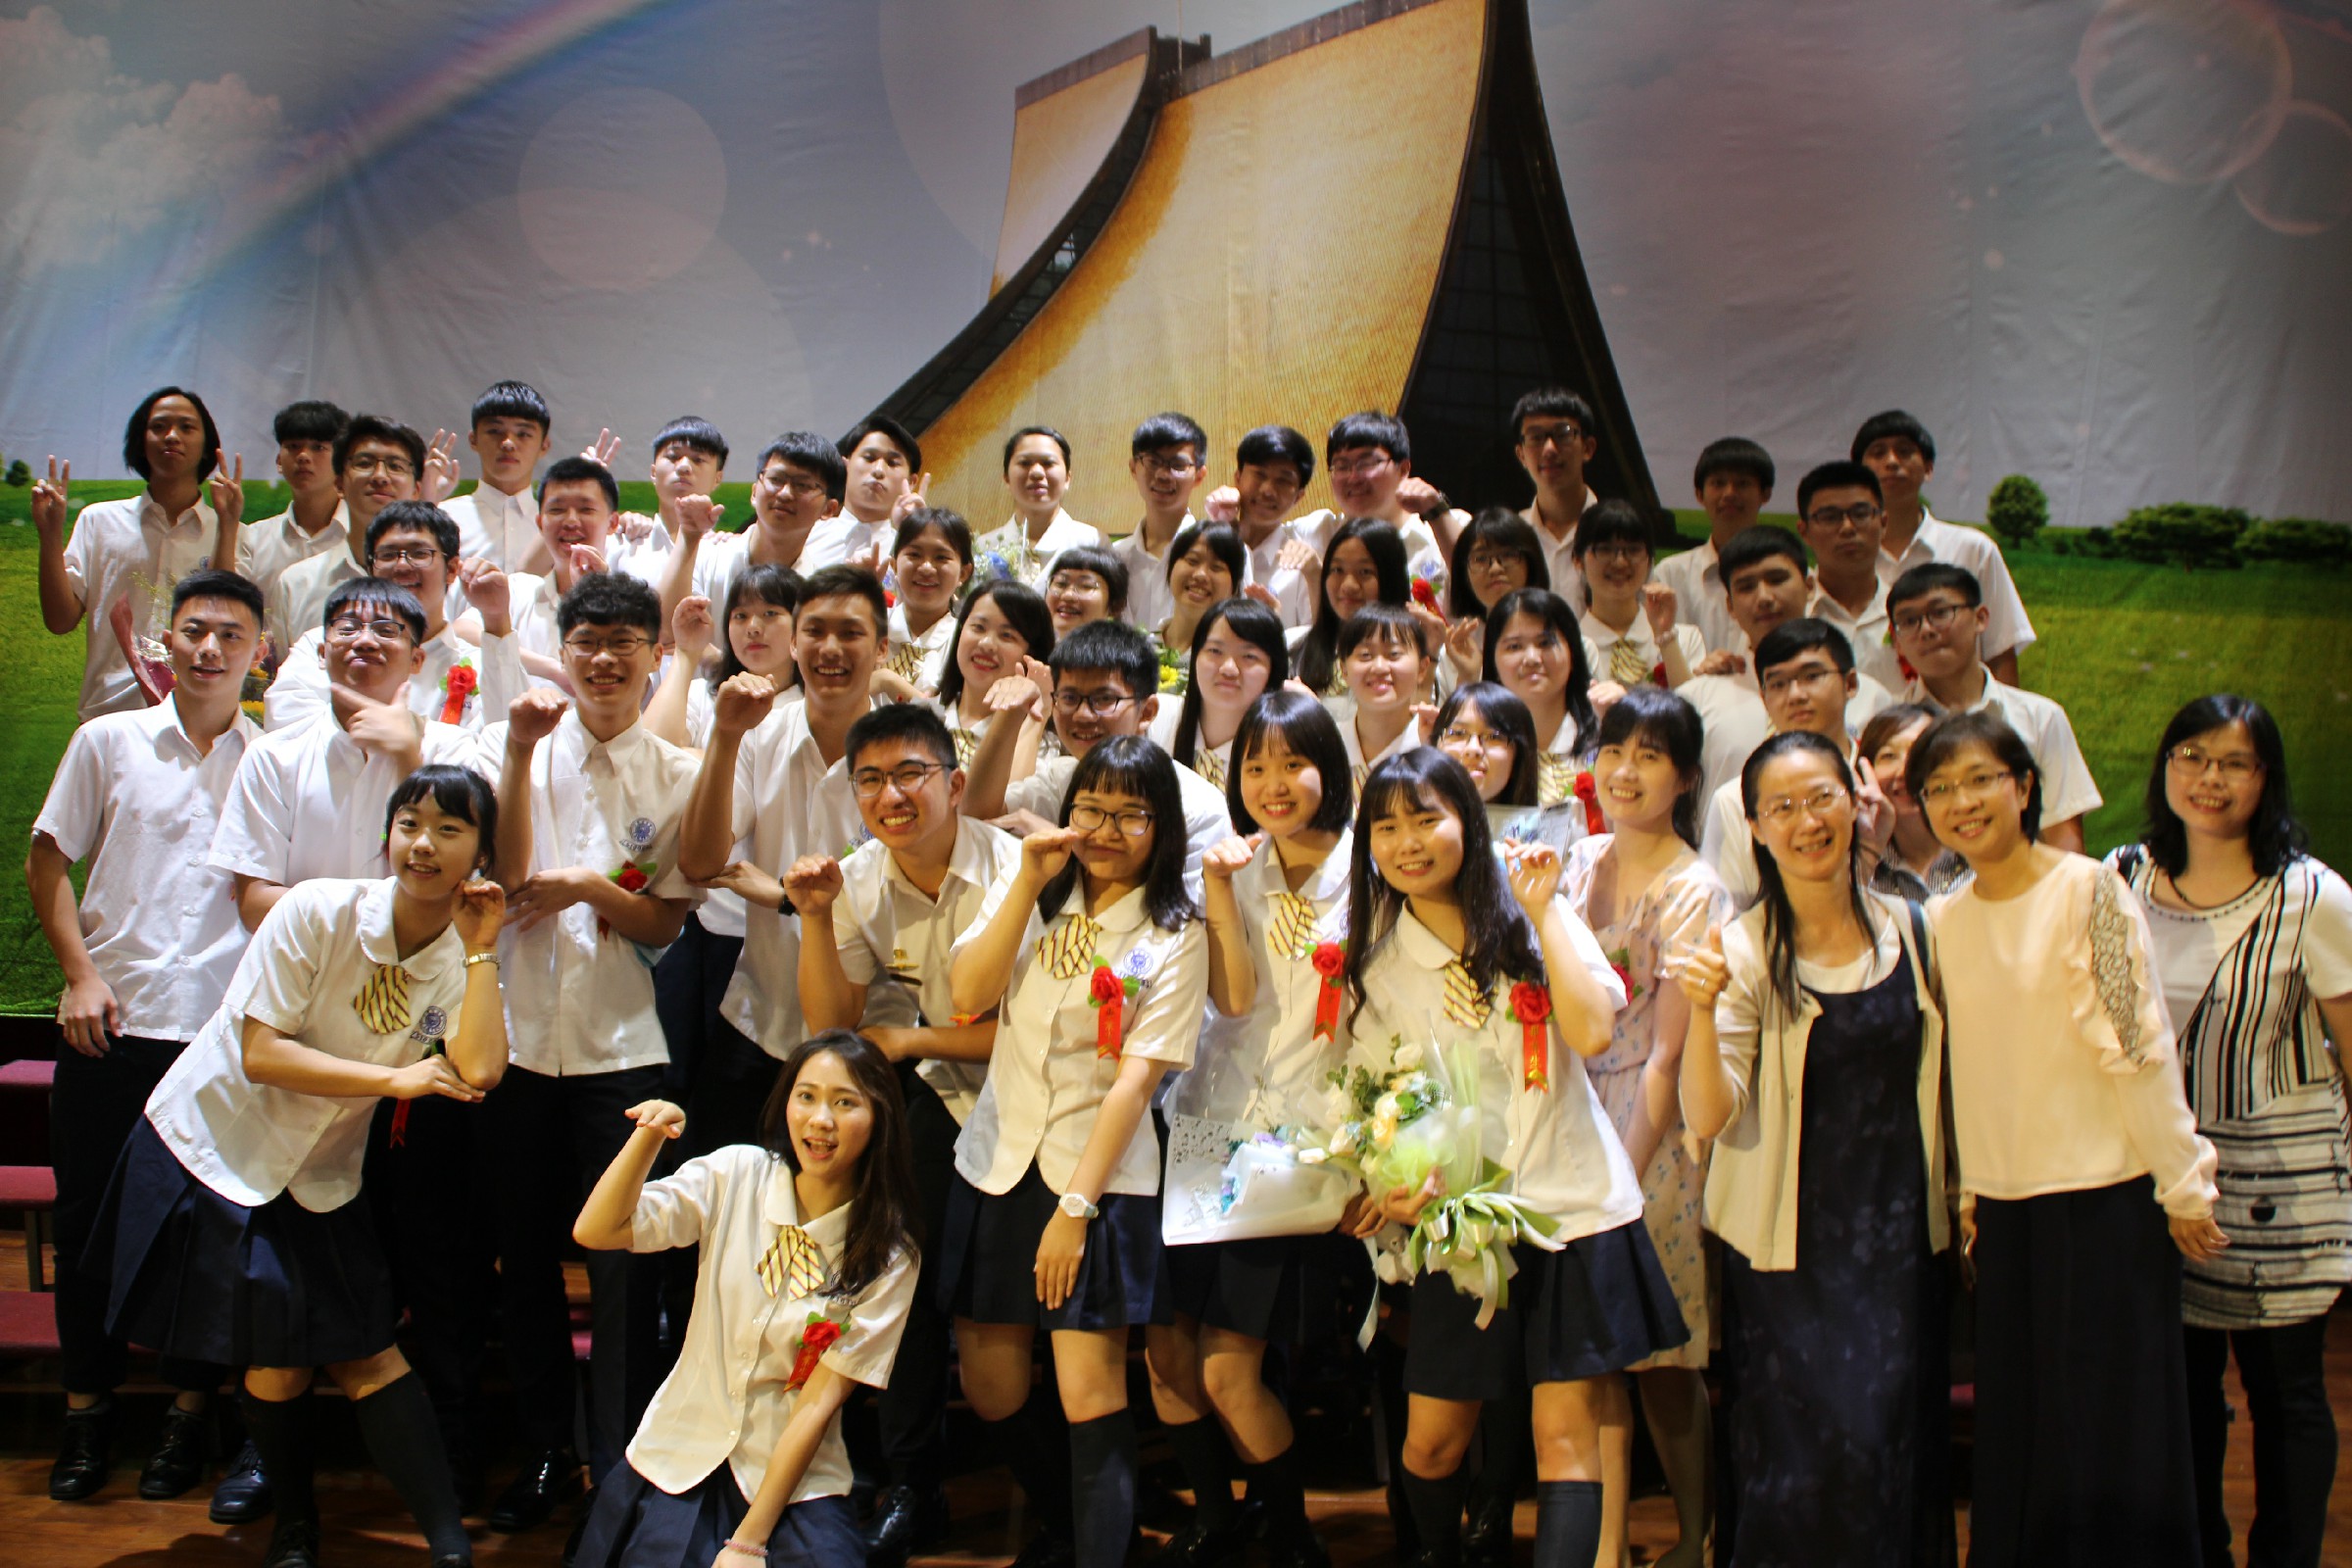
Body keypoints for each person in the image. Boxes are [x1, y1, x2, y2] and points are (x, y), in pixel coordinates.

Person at [89, 764, 510, 1568]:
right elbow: (261, 1055)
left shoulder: (461, 956)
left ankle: (449, 1548)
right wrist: (394, 1081)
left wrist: (484, 948)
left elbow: (482, 1070)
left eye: (450, 830)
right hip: (220, 1148)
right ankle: (295, 1526)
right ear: (388, 835)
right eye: (410, 824)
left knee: (368, 1352)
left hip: (320, 1168)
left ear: (481, 856)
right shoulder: (316, 910)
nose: (424, 845)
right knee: (280, 1362)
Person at [1343, 748, 1676, 1568]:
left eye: (1426, 819)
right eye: (1386, 827)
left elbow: (1592, 1032)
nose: (1407, 842)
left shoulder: (1534, 915)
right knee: (1431, 1444)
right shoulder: (1379, 966)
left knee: (1564, 1440)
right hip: (1465, 1227)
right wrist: (1390, 1181)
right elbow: (1374, 1096)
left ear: (1468, 821)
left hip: (1570, 1209)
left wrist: (1545, 910)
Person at [1911, 710, 2220, 1566]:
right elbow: (1966, 1072)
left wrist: (2183, 1183)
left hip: (2107, 1200)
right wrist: (1970, 1194)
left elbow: (2139, 1045)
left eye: (1981, 779)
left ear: (2023, 787)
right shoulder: (1944, 919)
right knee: (2024, 1426)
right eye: (1940, 788)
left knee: (2111, 1422)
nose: (1962, 802)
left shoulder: (2090, 890)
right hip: (2006, 1211)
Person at [1674, 730, 1955, 1566]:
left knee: (1891, 1443)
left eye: (1822, 798)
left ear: (1856, 804)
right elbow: (1709, 1114)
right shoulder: (1740, 948)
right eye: (1783, 808)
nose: (1807, 822)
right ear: (1756, 828)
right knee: (1803, 1459)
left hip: (1900, 1242)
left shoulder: (1917, 930)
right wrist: (1700, 1011)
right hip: (1785, 1252)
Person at [943, 737, 1212, 1568]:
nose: (1106, 830)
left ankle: (1105, 1551)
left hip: (1096, 1179)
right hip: (997, 1165)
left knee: (1088, 1391)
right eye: (1092, 809)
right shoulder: (1031, 889)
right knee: (991, 1388)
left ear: (1162, 828)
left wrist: (1075, 1210)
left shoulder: (1177, 933)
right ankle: (1070, 1525)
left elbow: (1134, 1085)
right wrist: (1027, 884)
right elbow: (966, 995)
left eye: (1131, 814)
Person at [29, 569, 266, 1512]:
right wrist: (80, 975)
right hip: (111, 1028)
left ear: (259, 653)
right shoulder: (109, 740)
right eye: (195, 631)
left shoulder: (271, 761)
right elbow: (49, 858)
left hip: (217, 1041)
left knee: (205, 1236)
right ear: (167, 642)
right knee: (87, 1227)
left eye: (231, 635)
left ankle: (187, 1414)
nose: (210, 649)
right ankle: (86, 1412)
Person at [2108, 695, 2352, 1568]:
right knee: (2181, 1394)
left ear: (2265, 778)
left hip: (2285, 1188)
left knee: (2287, 1392)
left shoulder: (2312, 896)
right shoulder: (2121, 877)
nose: (2210, 779)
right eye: (2193, 756)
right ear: (2166, 765)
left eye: (2235, 763)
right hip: (2161, 1183)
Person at [481, 572, 703, 1533]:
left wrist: (583, 885)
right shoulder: (518, 744)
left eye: (624, 643)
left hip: (623, 1048)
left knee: (623, 1270)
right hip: (516, 1043)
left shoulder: (678, 773)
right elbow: (506, 876)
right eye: (587, 642)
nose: (605, 660)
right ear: (563, 651)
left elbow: (665, 918)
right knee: (524, 1258)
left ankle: (619, 1468)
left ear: (654, 654)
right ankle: (545, 1451)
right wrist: (517, 752)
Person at [783, 705, 1019, 1566]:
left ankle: (1055, 1492)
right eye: (872, 781)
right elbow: (832, 1024)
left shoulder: (1013, 870)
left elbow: (1034, 1035)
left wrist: (916, 1041)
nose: (892, 796)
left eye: (911, 774)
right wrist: (815, 917)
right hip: (939, 1096)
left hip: (1032, 1098)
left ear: (954, 784)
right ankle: (911, 1485)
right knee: (897, 1272)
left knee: (979, 1311)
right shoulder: (857, 879)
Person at [566, 1032, 922, 1568]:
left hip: (793, 1478)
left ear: (879, 1119)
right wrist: (648, 1138)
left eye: (845, 1103)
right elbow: (597, 1230)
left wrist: (749, 1541)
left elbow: (817, 1405)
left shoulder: (889, 1255)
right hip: (680, 1453)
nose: (820, 1119)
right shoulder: (738, 1174)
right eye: (806, 1096)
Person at [1154, 693, 1359, 1568]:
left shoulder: (1370, 869)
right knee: (1169, 1357)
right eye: (1255, 767)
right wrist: (1217, 887)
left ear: (1328, 769)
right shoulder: (1233, 867)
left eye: (1291, 764)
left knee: (1228, 1370)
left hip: (1304, 1139)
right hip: (1211, 1123)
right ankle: (1219, 1519)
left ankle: (1293, 1535)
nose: (1272, 784)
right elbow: (1232, 1001)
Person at [1561, 687, 1729, 1568]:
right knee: (1592, 1356)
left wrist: (1619, 1181)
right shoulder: (1580, 858)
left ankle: (1697, 1536)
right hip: (1569, 1110)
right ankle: (1607, 1546)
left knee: (1664, 1359)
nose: (1625, 772)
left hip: (1647, 1136)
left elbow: (1667, 1057)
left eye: (1650, 757)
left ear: (1686, 778)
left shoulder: (1694, 889)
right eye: (1613, 751)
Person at [678, 566, 893, 1101]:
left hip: (869, 1031)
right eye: (814, 631)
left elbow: (898, 901)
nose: (830, 648)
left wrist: (783, 898)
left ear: (882, 649)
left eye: (851, 633)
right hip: (758, 1016)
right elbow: (700, 863)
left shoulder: (906, 756)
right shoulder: (759, 734)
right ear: (794, 645)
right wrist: (726, 736)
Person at [213, 577, 485, 930]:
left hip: (414, 963)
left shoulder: (452, 749)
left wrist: (408, 759)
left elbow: (460, 882)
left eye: (386, 630)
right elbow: (255, 905)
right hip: (304, 964)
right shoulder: (272, 756)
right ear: (322, 653)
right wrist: (385, 913)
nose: (365, 640)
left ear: (417, 659)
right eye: (348, 628)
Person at [961, 619, 1234, 880]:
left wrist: (1064, 846)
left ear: (1147, 712)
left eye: (1104, 699)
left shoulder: (1197, 806)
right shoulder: (1061, 778)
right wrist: (1010, 713)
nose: (1083, 714)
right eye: (1069, 698)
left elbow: (1173, 907)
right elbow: (976, 822)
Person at [34, 386, 244, 720]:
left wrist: (228, 525)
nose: (172, 436)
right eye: (159, 427)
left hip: (198, 717)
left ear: (207, 446)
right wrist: (49, 535)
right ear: (141, 442)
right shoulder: (99, 521)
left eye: (187, 427)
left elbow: (228, 621)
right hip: (109, 714)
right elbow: (60, 621)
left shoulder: (231, 531)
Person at [1886, 563, 2098, 853]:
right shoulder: (1887, 727)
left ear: (1981, 618)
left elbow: (2062, 835)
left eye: (1941, 613)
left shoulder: (2040, 718)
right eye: (1909, 621)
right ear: (1896, 642)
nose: (1926, 630)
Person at [1677, 527, 1894, 806]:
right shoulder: (1696, 698)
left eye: (1777, 579)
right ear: (1729, 605)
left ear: (1809, 586)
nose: (1764, 597)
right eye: (1746, 587)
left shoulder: (1870, 695)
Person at [263, 501, 520, 732]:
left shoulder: (476, 661)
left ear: (452, 569)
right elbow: (286, 723)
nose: (402, 565)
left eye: (419, 554)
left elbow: (503, 738)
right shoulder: (329, 645)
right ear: (370, 568)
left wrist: (496, 617)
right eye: (387, 555)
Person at [1698, 618, 1890, 906]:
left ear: (1850, 684)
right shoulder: (1734, 800)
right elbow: (1722, 913)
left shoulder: (1885, 779)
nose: (1796, 695)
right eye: (1778, 684)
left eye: (1812, 676)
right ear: (1764, 698)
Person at [1851, 411, 2034, 685]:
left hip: (1959, 711)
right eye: (1878, 453)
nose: (1891, 461)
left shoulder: (1973, 550)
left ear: (1928, 468)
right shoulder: (1848, 560)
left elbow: (1999, 650)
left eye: (1905, 451)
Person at [265, 415, 429, 659]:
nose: (380, 476)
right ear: (339, 483)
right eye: (364, 463)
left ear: (416, 489)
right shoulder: (297, 583)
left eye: (395, 466)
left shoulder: (436, 585)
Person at [658, 432, 851, 633]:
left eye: (803, 485)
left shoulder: (817, 591)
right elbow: (665, 630)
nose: (785, 493)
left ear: (829, 509)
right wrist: (689, 536)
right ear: (754, 493)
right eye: (776, 479)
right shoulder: (705, 556)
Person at [1651, 438, 1775, 659]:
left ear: (1765, 494)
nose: (1729, 493)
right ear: (1699, 494)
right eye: (1718, 483)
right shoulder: (1670, 574)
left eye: (1743, 484)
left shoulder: (1785, 574)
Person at [1148, 597, 1288, 791]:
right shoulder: (1154, 718)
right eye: (1215, 651)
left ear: (1274, 669)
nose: (1229, 669)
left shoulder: (1286, 751)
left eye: (1249, 656)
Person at [1429, 681, 1583, 855]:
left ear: (1519, 754)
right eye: (1457, 733)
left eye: (1493, 737)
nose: (1473, 749)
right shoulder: (1409, 825)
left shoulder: (1551, 839)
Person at [1481, 588, 1601, 806]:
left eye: (1545, 643)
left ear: (1573, 654)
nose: (1532, 658)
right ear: (1493, 662)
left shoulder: (1605, 738)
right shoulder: (1477, 747)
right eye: (1514, 646)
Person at [1795, 462, 1904, 693]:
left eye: (1860, 514)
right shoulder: (1789, 614)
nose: (1847, 528)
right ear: (1804, 532)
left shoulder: (1910, 614)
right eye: (1829, 517)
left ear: (1883, 523)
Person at [1299, 412, 1459, 568]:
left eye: (1367, 463)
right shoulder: (1317, 531)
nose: (1354, 478)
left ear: (1403, 469)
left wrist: (1436, 511)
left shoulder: (1448, 525)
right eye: (1342, 466)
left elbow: (1470, 578)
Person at [1572, 500, 1703, 691]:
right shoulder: (1566, 647)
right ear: (1577, 560)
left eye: (1633, 550)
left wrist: (1666, 639)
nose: (1620, 562)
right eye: (1605, 549)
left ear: (1650, 560)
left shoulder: (1686, 639)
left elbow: (1695, 705)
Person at [927, 577, 1055, 770]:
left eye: (1007, 635)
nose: (986, 644)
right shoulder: (922, 717)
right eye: (978, 627)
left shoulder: (1039, 746)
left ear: (1032, 654)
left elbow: (1017, 790)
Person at [1200, 423, 1320, 627]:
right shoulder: (1205, 545)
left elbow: (1314, 638)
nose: (1268, 490)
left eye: (1283, 481)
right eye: (1259, 475)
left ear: (1299, 496)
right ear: (1238, 478)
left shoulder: (1301, 567)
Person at [440, 380, 555, 573]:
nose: (508, 443)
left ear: (544, 445)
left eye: (523, 433)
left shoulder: (557, 525)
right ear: (473, 439)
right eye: (494, 431)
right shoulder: (444, 517)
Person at [1856, 705, 1970, 901]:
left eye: (1919, 753)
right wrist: (1867, 856)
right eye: (1888, 756)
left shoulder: (1982, 849)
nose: (1904, 771)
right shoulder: (1860, 866)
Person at [240, 401, 353, 596]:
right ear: (278, 461)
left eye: (318, 447)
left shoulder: (361, 536)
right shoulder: (254, 538)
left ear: (342, 461)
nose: (303, 456)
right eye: (293, 446)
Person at [1111, 413, 1209, 632]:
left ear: (1199, 475)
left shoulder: (1220, 554)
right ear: (1133, 468)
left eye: (1178, 465)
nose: (1164, 475)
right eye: (1153, 462)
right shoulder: (1116, 557)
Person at [1293, 517, 1411, 699]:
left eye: (1365, 572)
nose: (1348, 585)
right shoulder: (1299, 648)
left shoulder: (1411, 652)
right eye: (1337, 570)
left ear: (1391, 579)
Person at [1509, 388, 1604, 601]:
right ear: (1521, 455)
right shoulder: (1510, 538)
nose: (1550, 449)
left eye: (1563, 435)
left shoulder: (1619, 534)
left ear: (1588, 448)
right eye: (1536, 437)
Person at [976, 426, 1101, 588]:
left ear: (1067, 478)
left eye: (1048, 463)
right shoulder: (983, 547)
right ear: (1006, 478)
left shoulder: (1093, 543)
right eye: (1024, 463)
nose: (1036, 472)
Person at [1334, 604, 1434, 788]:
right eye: (1365, 655)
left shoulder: (1434, 746)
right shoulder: (1326, 744)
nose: (1379, 667)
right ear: (1344, 670)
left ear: (1422, 668)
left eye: (1394, 654)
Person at [881, 507, 974, 692]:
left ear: (963, 573)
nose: (926, 567)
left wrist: (888, 682)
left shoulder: (967, 643)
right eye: (914, 555)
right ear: (894, 565)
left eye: (941, 557)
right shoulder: (873, 629)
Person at [1152, 521, 1245, 661]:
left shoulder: (1233, 661)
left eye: (1216, 567)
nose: (1201, 575)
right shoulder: (1141, 647)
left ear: (1235, 587)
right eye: (1192, 561)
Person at [839, 414, 925, 539]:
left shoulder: (906, 547)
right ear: (846, 466)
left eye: (892, 463)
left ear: (911, 482)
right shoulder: (811, 533)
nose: (878, 470)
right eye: (869, 458)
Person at [1044, 545, 1128, 643]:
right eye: (1061, 584)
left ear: (1115, 605)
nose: (1068, 595)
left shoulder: (1123, 652)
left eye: (1086, 586)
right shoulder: (1033, 648)